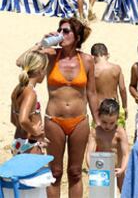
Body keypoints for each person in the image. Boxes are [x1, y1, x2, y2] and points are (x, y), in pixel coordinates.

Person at [17, 17, 99, 198]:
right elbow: (21, 62)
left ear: (77, 36)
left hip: (80, 120)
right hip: (54, 120)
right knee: (55, 172)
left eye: (66, 31)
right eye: (60, 30)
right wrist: (40, 42)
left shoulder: (87, 60)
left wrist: (97, 121)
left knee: (76, 171)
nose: (62, 34)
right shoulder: (50, 55)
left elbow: (92, 93)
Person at [86, 99, 129, 192]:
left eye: (112, 123)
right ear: (99, 117)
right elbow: (89, 153)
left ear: (117, 119)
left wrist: (122, 168)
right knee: (102, 192)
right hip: (102, 168)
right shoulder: (95, 132)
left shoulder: (120, 132)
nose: (107, 126)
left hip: (118, 167)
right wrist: (91, 167)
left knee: (124, 190)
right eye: (104, 122)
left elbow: (126, 154)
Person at [11, 51, 48, 155]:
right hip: (30, 145)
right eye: (45, 70)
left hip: (18, 141)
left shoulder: (18, 89)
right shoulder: (30, 93)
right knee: (33, 171)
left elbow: (14, 120)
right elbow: (23, 119)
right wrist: (35, 131)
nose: (45, 73)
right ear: (40, 70)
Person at [91, 43, 128, 125]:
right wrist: (125, 106)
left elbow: (89, 92)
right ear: (108, 55)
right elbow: (122, 89)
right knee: (118, 134)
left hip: (100, 108)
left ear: (93, 57)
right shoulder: (116, 68)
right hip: (115, 106)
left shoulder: (92, 70)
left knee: (99, 136)